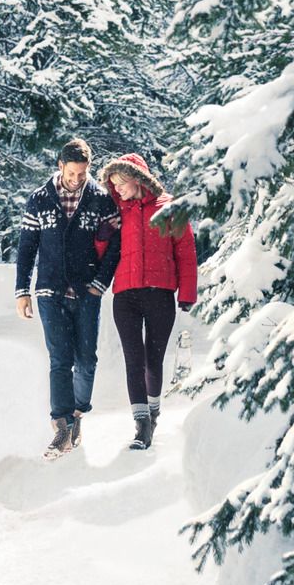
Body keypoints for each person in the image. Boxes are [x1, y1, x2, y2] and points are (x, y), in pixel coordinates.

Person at [14, 137, 119, 458]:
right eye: (72, 173)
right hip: (49, 290)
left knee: (86, 361)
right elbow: (27, 247)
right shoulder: (39, 199)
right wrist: (22, 291)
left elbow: (115, 245)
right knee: (60, 359)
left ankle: (76, 414)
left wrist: (100, 283)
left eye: (82, 174)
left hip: (87, 290)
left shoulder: (101, 200)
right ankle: (61, 427)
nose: (76, 180)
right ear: (60, 166)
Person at [100, 152, 197, 449]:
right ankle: (141, 425)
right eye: (113, 184)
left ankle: (153, 412)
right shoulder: (117, 211)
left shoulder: (169, 208)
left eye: (121, 183)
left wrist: (187, 293)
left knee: (153, 362)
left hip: (160, 295)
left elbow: (186, 252)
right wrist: (103, 233)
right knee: (134, 361)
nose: (117, 189)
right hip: (125, 295)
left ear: (137, 179)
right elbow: (102, 250)